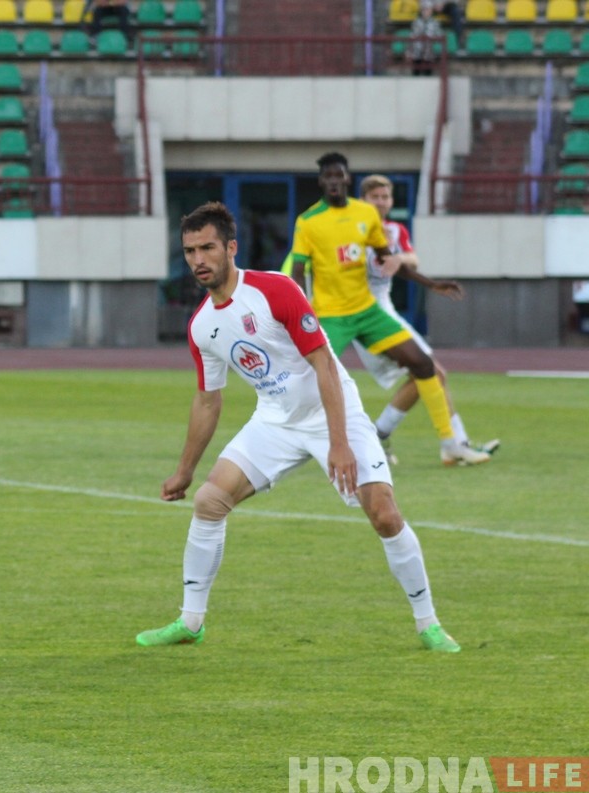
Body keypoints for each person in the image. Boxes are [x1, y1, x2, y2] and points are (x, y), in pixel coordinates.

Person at [135, 202, 461, 654]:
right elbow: (208, 399)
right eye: (190, 250)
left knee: (383, 513)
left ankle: (428, 624)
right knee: (209, 501)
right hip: (275, 419)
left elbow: (325, 364)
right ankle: (190, 622)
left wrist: (340, 443)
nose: (198, 259)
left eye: (207, 247)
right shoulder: (203, 326)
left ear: (231, 247)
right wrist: (185, 470)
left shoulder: (275, 290)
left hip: (334, 412)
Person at [289, 152, 489, 466]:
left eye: (337, 175)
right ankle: (293, 443)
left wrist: (432, 284)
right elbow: (297, 272)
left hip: (368, 312)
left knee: (424, 365)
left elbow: (388, 260)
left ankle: (450, 443)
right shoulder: (308, 222)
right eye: (326, 176)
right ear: (320, 181)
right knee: (307, 378)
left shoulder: (365, 214)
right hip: (331, 316)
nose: (332, 181)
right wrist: (299, 314)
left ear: (347, 178)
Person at [352, 175, 499, 464]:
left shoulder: (394, 230)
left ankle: (452, 443)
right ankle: (445, 442)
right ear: (363, 200)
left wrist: (400, 260)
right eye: (375, 197)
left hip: (384, 309)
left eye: (385, 197)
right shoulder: (353, 230)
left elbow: (412, 260)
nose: (381, 202)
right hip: (363, 315)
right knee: (430, 372)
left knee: (431, 373)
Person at [407, 1, 443, 76]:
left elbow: (439, 35)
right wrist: (409, 51)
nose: (426, 11)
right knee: (416, 69)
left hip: (429, 49)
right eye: (424, 9)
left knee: (428, 70)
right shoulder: (416, 22)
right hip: (417, 49)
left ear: (431, 11)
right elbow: (412, 35)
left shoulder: (435, 22)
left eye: (428, 9)